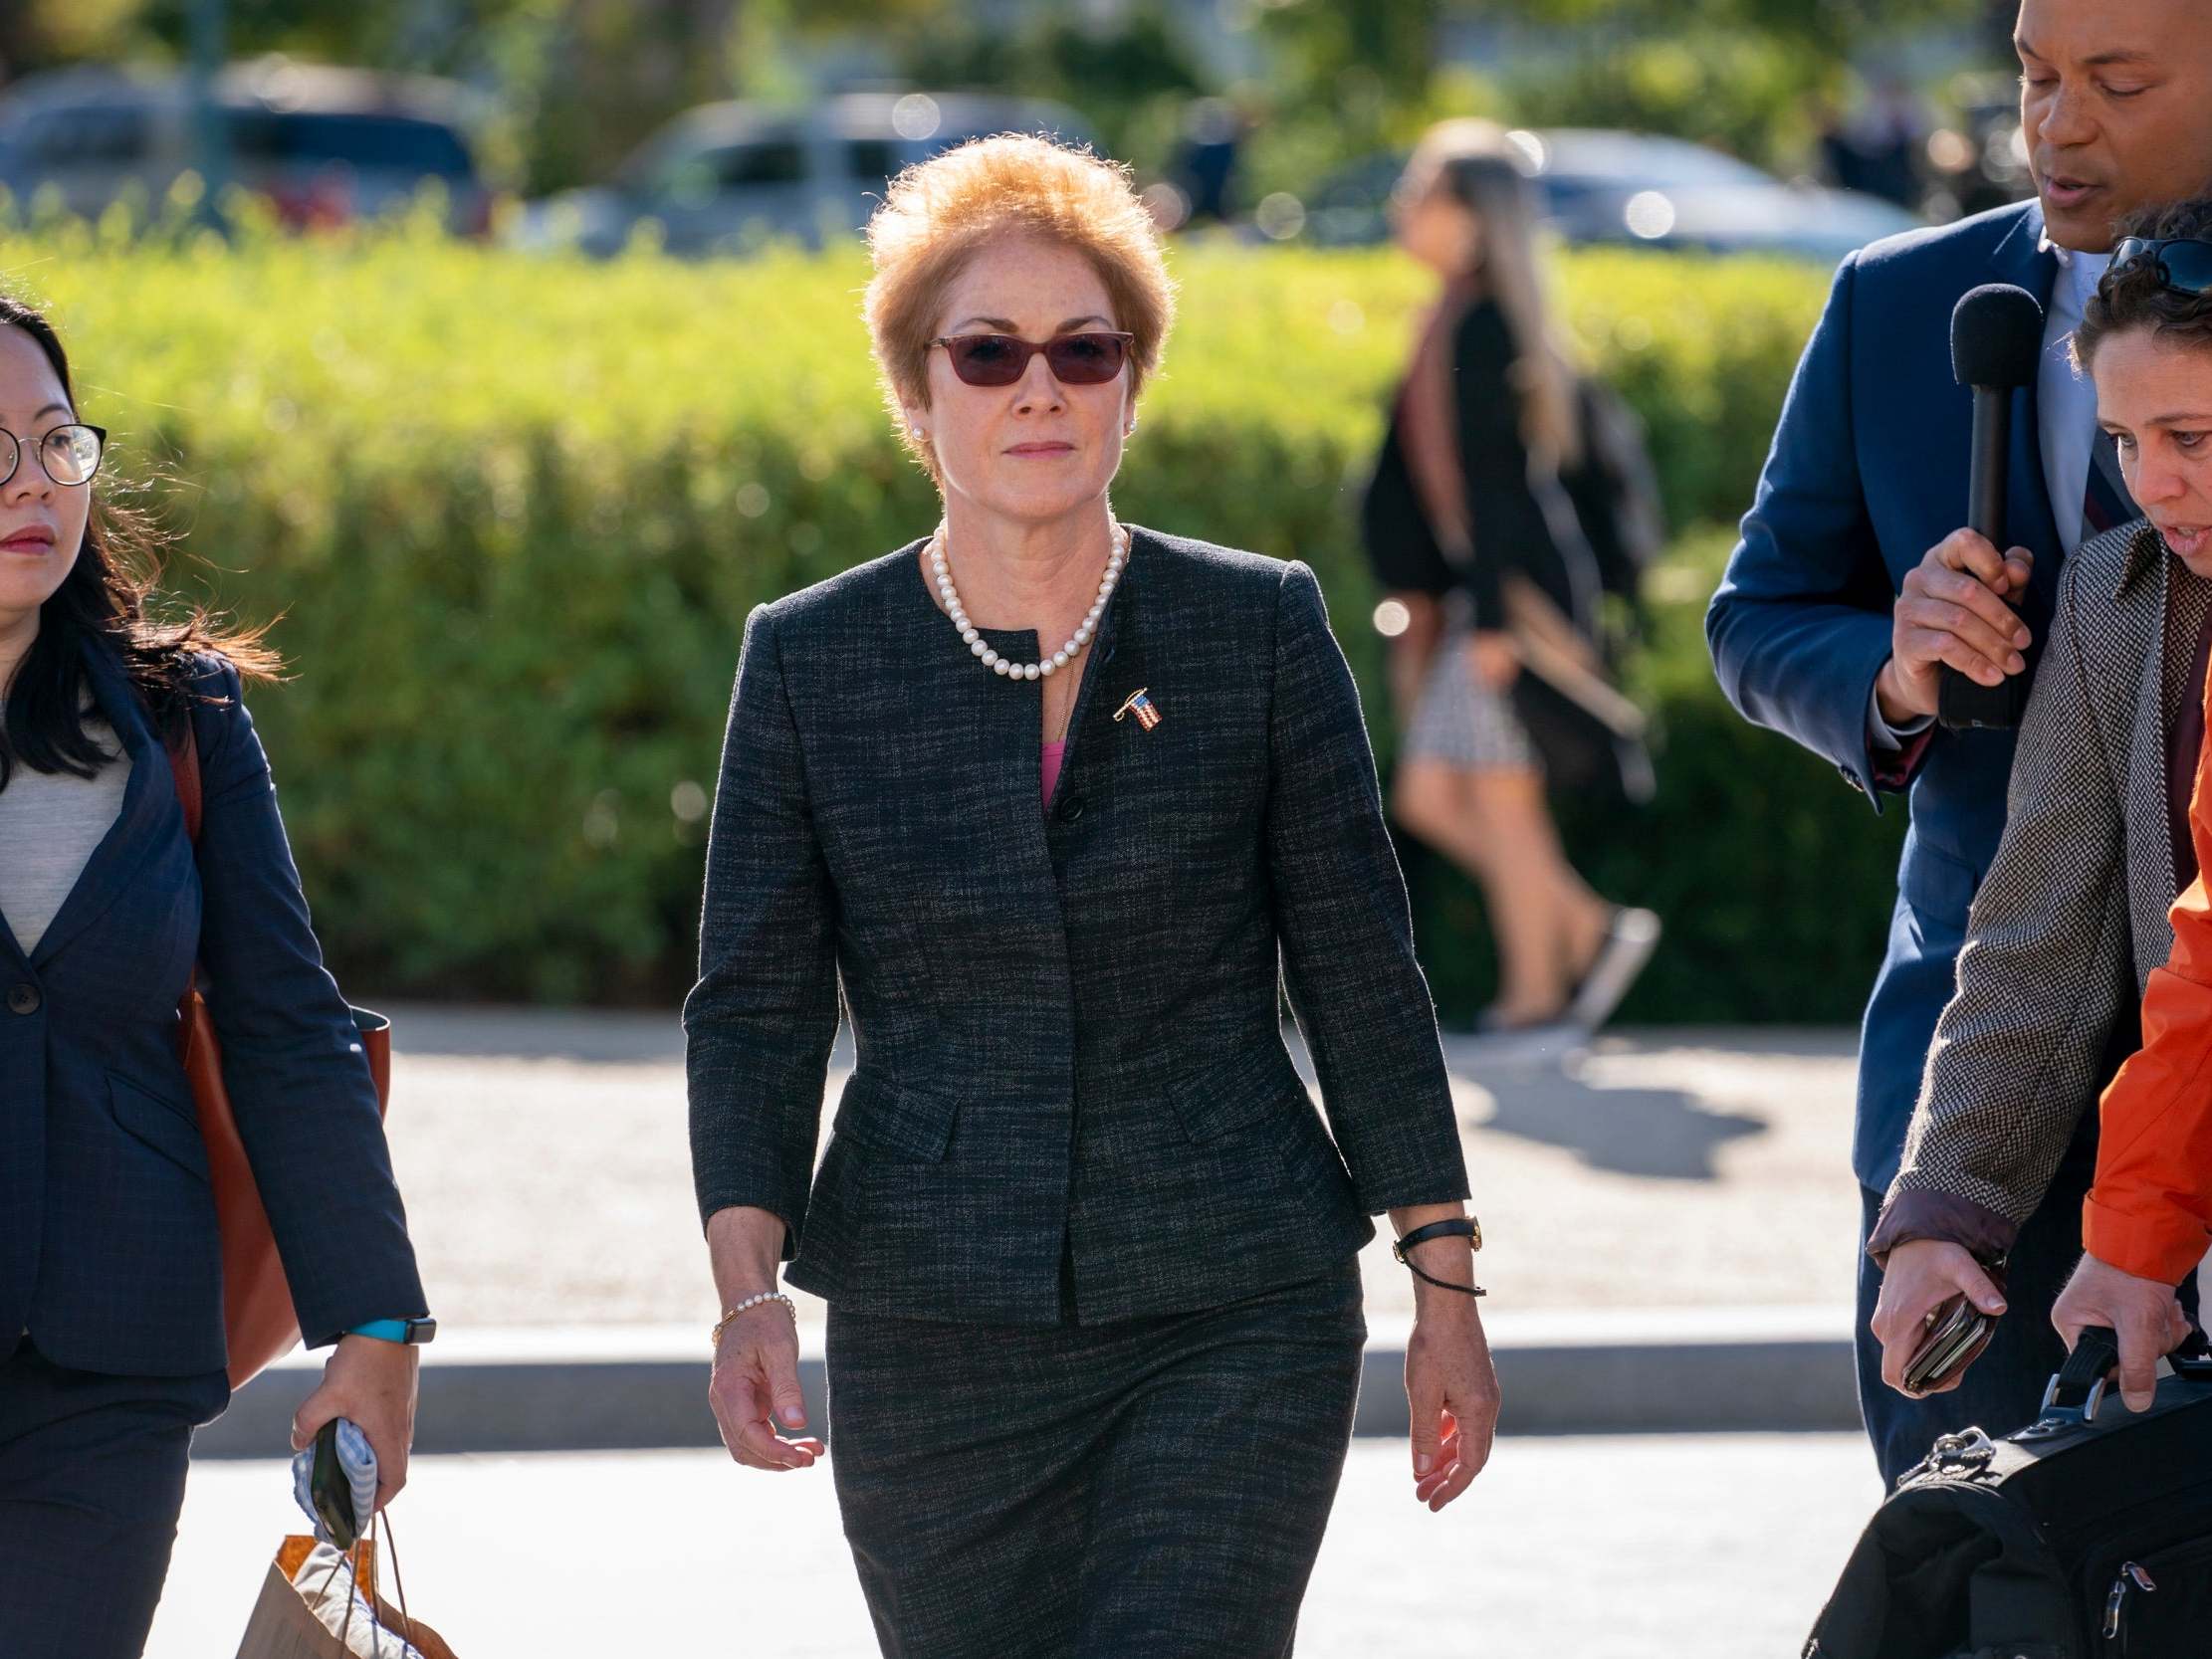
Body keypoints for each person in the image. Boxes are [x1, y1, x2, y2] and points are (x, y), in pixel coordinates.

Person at [685, 134, 1499, 1658]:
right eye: (986, 354)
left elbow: (1356, 964)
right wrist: (745, 1292)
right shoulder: (811, 659)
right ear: (917, 397)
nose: (1039, 389)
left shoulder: (1251, 627)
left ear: (1132, 379)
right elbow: (756, 1000)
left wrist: (1440, 1272)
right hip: (930, 1317)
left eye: (1084, 349)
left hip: (1235, 1297)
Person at [1705, 0, 2212, 1484]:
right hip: (1988, 1051)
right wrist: (1898, 668)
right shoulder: (1892, 300)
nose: (2057, 123)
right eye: (2034, 78)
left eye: (2115, 83)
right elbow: (1755, 613)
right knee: (1984, 1563)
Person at [0, 295, 432, 1659]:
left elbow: (286, 1029)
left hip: (105, 1358)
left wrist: (374, 1324)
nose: (33, 484)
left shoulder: (182, 715)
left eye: (58, 441)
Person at [1865, 206, 2212, 1412]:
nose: (2150, 484)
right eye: (2122, 438)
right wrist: (1942, 1204)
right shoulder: (2115, 602)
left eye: (2191, 437)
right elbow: (2034, 934)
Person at [1364, 118, 1660, 1036]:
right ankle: (1585, 927)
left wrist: (1492, 619)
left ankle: (1537, 996)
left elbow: (1499, 488)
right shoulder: (1457, 311)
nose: (1403, 210)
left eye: (1421, 192)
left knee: (1495, 791)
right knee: (1435, 793)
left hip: (1514, 602)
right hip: (1488, 595)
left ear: (1470, 215)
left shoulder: (1483, 319)